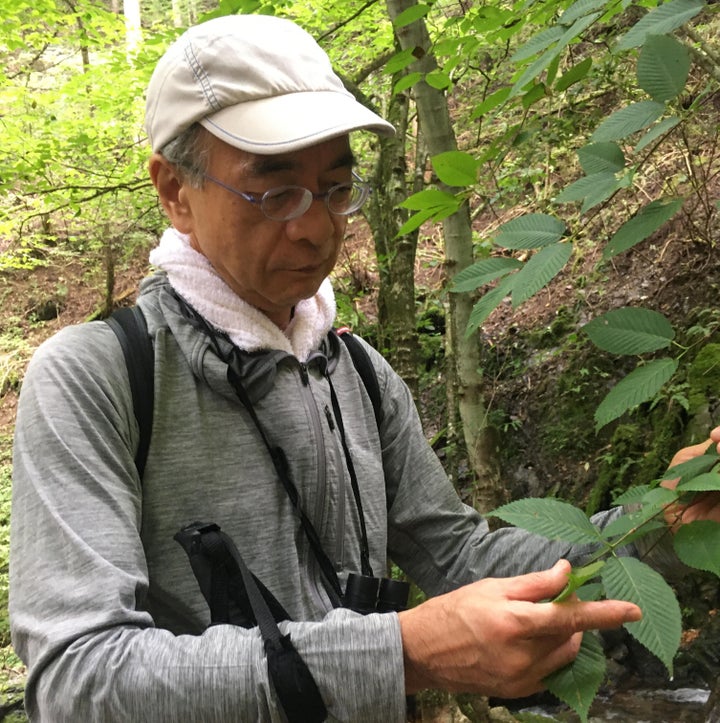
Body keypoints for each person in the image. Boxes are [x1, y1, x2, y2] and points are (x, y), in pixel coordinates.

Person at [9, 13, 720, 722]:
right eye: (275, 191)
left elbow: (462, 555)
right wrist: (400, 654)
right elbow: (78, 680)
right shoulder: (98, 380)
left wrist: (661, 519)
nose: (317, 226)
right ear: (173, 191)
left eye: (337, 188)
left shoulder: (358, 374)